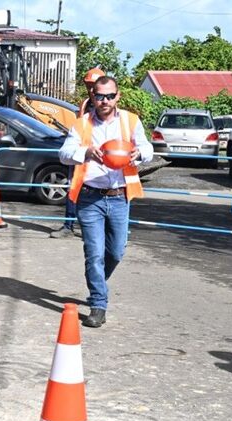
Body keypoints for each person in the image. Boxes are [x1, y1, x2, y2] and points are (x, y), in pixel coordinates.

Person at [58, 76, 152, 328]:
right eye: (100, 96)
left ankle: (97, 280)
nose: (105, 101)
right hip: (90, 198)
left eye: (110, 96)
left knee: (116, 251)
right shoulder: (81, 125)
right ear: (93, 97)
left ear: (117, 96)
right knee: (94, 254)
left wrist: (139, 152)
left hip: (120, 197)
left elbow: (148, 147)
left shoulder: (131, 121)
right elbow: (64, 154)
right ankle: (98, 304)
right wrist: (85, 152)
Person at [50, 66, 105, 240]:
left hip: (99, 157)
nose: (90, 89)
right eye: (88, 85)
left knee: (96, 192)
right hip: (81, 155)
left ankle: (92, 227)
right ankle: (69, 225)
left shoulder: (108, 105)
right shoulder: (85, 105)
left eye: (93, 85)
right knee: (73, 190)